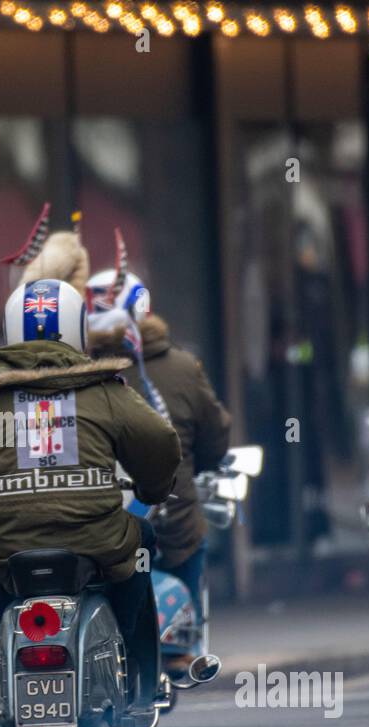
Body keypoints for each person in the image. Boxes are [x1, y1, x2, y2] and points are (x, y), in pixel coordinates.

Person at [0, 277, 181, 709]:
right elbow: (159, 440)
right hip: (98, 541)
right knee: (142, 543)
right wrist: (153, 488)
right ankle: (130, 659)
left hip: (6, 542)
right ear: (78, 327)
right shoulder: (104, 390)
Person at [86, 263, 231, 663]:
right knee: (189, 534)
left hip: (95, 519)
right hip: (172, 517)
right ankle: (183, 645)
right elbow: (216, 434)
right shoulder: (183, 367)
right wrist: (195, 466)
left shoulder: (72, 374)